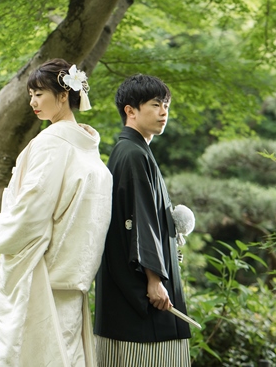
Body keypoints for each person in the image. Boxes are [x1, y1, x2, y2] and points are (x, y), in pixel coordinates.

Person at [0, 58, 113, 367]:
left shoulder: (51, 143)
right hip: (73, 273)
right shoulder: (88, 147)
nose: (32, 102)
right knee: (68, 353)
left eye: (39, 94)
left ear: (63, 94)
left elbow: (32, 207)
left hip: (42, 273)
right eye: (31, 95)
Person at [93, 74, 191, 366]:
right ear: (130, 110)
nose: (164, 112)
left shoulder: (131, 151)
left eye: (166, 106)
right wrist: (154, 279)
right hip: (141, 290)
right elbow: (141, 220)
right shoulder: (133, 154)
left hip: (130, 286)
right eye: (155, 105)